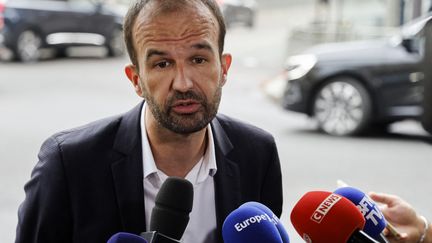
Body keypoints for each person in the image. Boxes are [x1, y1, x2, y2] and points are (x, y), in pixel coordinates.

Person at [14, 0, 283, 242]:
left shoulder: (258, 154)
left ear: (223, 69)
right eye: (162, 64)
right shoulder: (68, 164)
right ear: (136, 80)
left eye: (199, 59)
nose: (183, 83)